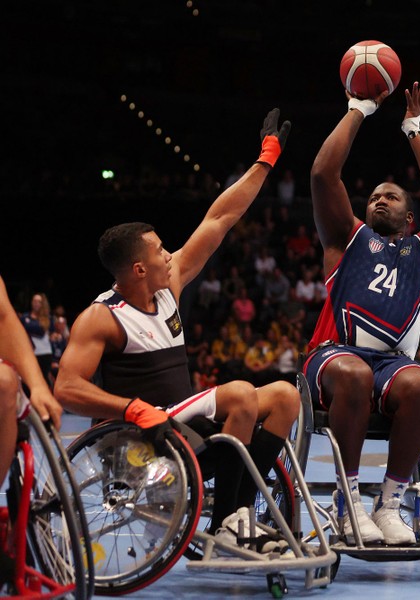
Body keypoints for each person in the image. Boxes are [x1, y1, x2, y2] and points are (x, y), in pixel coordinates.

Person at [54, 109, 301, 551]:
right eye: (159, 249)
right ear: (137, 269)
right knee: (242, 393)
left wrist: (265, 160)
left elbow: (219, 219)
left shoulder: (168, 284)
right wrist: (130, 408)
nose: (169, 253)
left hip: (180, 425)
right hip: (135, 443)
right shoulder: (100, 317)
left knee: (284, 396)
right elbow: (66, 388)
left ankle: (238, 512)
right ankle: (230, 525)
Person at [301, 81, 420, 546]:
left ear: (411, 218)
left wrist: (413, 129)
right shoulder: (344, 238)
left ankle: (389, 504)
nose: (379, 199)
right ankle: (348, 502)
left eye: (390, 196)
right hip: (334, 356)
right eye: (373, 196)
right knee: (354, 374)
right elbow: (321, 175)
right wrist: (358, 109)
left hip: (393, 364)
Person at [0, 275, 63, 490]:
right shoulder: (27, 318)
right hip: (36, 351)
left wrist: (37, 386)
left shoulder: (45, 319)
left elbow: (4, 319)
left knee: (7, 381)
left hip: (42, 354)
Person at [19, 292, 53, 386]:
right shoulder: (25, 317)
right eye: (34, 300)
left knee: (44, 378)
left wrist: (28, 327)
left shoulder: (47, 318)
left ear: (42, 304)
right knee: (28, 379)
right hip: (30, 353)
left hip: (44, 353)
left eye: (39, 301)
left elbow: (41, 331)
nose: (36, 303)